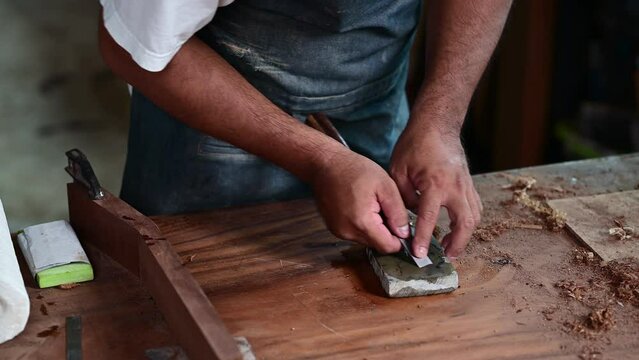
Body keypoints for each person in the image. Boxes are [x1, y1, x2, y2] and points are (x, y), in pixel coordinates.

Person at [98, 0, 512, 260]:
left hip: (377, 111)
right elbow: (134, 49)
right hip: (212, 141)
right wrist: (321, 159)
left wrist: (440, 121)